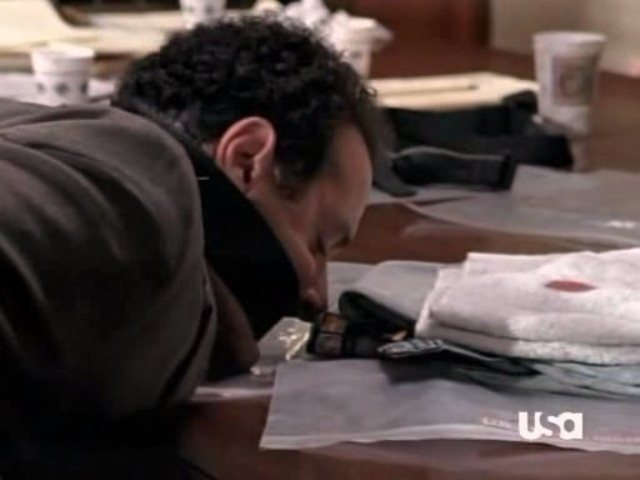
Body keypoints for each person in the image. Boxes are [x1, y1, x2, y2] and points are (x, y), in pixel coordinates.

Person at [0, 16, 382, 478]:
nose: (318, 295)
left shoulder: (71, 147)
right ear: (247, 161)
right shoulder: (145, 207)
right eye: (319, 243)